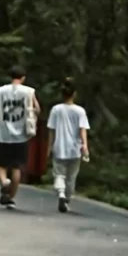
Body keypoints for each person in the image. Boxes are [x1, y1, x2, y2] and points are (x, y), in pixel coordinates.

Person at [0, 67, 40, 208]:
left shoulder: (0, 91)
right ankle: (10, 197)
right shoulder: (29, 92)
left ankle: (5, 183)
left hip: (2, 133)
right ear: (23, 77)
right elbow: (37, 109)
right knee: (17, 167)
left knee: (0, 165)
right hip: (21, 135)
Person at [46, 78, 90, 213]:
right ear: (74, 94)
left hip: (59, 146)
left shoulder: (56, 109)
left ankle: (60, 193)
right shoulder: (80, 111)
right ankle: (67, 198)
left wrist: (49, 147)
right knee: (71, 177)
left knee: (59, 174)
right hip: (74, 148)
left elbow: (51, 130)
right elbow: (82, 130)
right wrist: (85, 146)